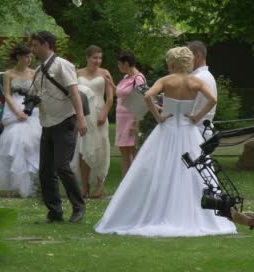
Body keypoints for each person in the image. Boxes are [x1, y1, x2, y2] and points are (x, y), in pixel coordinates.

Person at [94, 46, 236, 237]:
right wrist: (197, 116)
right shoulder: (195, 82)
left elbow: (147, 96)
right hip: (188, 130)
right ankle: (193, 212)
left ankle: (155, 209)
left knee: (157, 168)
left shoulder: (166, 80)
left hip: (166, 129)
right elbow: (212, 99)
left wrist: (158, 116)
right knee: (196, 171)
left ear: (171, 62)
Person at [29, 31, 87, 223]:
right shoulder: (38, 70)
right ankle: (55, 211)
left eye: (35, 45)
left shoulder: (63, 65)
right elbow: (38, 95)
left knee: (62, 166)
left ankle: (78, 207)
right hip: (47, 123)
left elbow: (74, 92)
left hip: (65, 120)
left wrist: (81, 118)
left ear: (47, 45)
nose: (33, 49)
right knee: (45, 171)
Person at [0, 44, 41, 198]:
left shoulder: (34, 73)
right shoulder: (9, 74)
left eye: (30, 57)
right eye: (26, 56)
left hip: (31, 107)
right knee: (15, 140)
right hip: (14, 108)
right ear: (18, 57)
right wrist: (17, 112)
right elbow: (7, 94)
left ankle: (32, 183)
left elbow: (38, 92)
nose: (29, 59)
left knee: (33, 141)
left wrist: (30, 108)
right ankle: (18, 182)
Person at [72, 45, 113, 198]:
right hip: (83, 114)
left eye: (100, 58)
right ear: (87, 58)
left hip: (99, 112)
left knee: (101, 148)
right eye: (94, 57)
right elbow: (74, 95)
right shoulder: (78, 73)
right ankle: (84, 186)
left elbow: (110, 98)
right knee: (84, 149)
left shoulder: (105, 73)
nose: (97, 61)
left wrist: (104, 113)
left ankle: (100, 184)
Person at [112, 50, 146, 177]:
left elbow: (141, 102)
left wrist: (136, 124)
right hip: (121, 119)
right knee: (124, 152)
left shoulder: (139, 79)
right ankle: (124, 185)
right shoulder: (126, 77)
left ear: (126, 63)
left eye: (120, 64)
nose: (118, 67)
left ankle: (136, 182)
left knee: (133, 152)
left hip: (131, 119)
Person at [187, 40, 217, 139]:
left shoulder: (197, 78)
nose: (186, 61)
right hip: (205, 130)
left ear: (198, 56)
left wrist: (196, 118)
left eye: (188, 57)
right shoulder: (209, 76)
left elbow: (189, 106)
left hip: (196, 132)